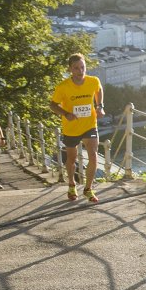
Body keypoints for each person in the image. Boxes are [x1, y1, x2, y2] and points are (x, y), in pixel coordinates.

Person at [49, 53, 105, 203]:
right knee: (72, 159)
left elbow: (99, 91)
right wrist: (66, 113)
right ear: (70, 70)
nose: (80, 71)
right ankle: (72, 184)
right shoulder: (63, 87)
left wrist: (99, 106)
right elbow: (52, 105)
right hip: (71, 128)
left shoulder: (93, 81)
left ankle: (88, 189)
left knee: (93, 156)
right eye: (76, 68)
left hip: (89, 125)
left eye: (83, 67)